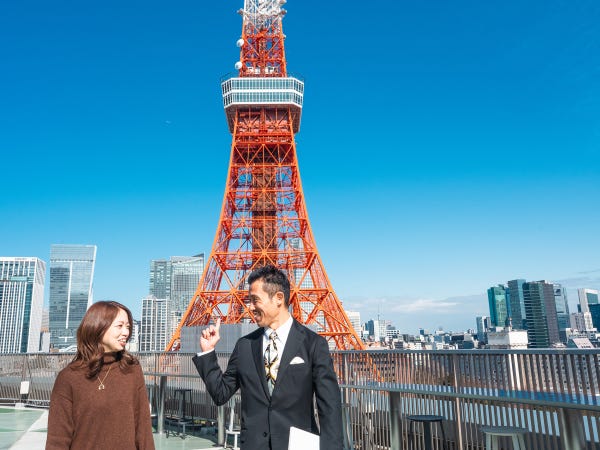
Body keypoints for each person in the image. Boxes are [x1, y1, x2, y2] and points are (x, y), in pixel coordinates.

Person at [193, 265, 343, 450]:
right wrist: (208, 352)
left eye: (255, 300)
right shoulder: (245, 346)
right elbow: (220, 394)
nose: (250, 307)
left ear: (279, 298)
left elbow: (330, 406)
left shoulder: (313, 344)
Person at [46, 301, 155, 450]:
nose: (126, 332)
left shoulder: (132, 370)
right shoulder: (68, 377)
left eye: (128, 327)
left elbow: (143, 428)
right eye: (120, 326)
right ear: (98, 327)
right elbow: (57, 439)